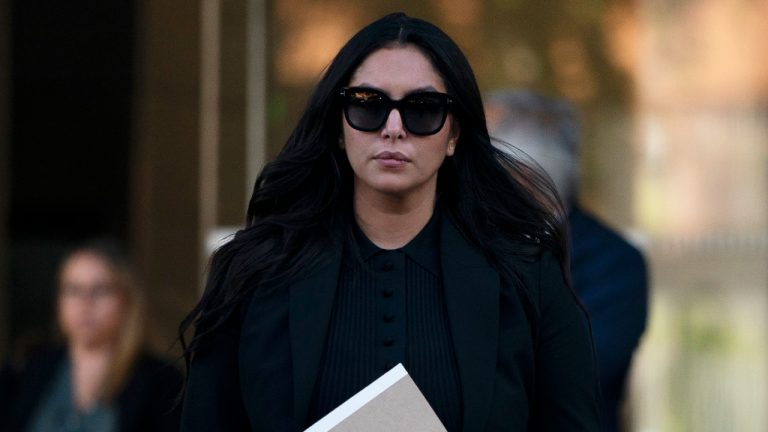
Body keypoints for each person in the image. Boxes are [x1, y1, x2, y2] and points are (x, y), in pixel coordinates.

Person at [180, 13, 600, 431]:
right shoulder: (254, 274)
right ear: (339, 126)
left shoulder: (526, 276)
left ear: (454, 134)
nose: (393, 129)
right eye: (368, 105)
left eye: (423, 109)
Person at [485, 89, 648, 432]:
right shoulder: (472, 244)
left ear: (527, 178)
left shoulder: (614, 263)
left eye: (489, 169)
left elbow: (576, 373)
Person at [0, 239, 182, 431]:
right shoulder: (27, 370)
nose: (85, 303)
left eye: (100, 290)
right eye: (73, 290)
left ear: (127, 300)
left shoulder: (162, 382)